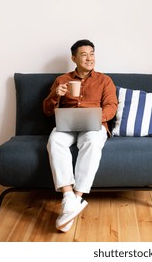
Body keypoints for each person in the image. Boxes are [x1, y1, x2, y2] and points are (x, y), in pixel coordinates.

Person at [43, 39, 118, 232]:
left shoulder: (105, 80)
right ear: (74, 58)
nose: (89, 58)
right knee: (54, 141)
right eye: (84, 54)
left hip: (93, 125)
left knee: (93, 142)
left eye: (92, 53)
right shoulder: (62, 80)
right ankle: (68, 196)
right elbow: (47, 111)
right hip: (67, 125)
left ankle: (76, 196)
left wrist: (95, 117)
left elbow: (111, 106)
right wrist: (54, 95)